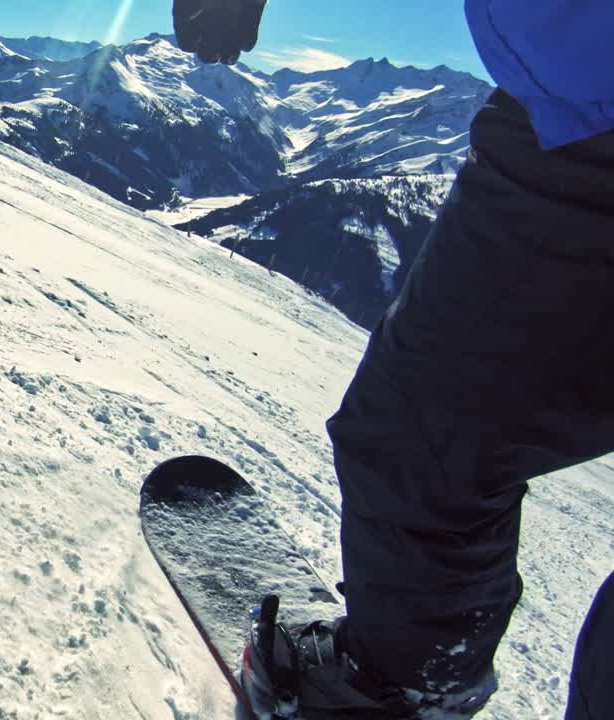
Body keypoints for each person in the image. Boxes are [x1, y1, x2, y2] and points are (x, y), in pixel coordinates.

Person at [170, 1, 614, 718]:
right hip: (572, 93)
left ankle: (401, 686)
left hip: (583, 110)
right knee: (425, 439)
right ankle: (406, 681)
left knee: (424, 437)